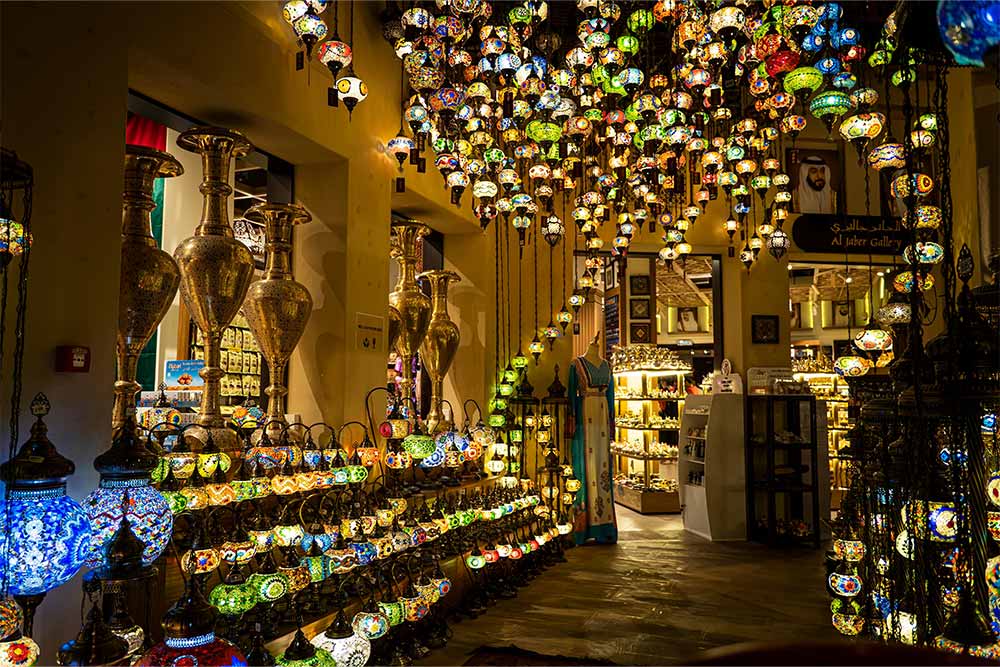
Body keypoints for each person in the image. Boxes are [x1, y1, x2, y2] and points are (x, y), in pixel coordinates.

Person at [567, 332, 618, 545]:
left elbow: (611, 396)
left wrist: (612, 422)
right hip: (584, 422)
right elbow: (571, 395)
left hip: (601, 422)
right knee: (584, 467)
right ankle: (584, 526)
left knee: (602, 467)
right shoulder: (576, 365)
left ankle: (604, 525)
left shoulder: (607, 366)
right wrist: (571, 422)